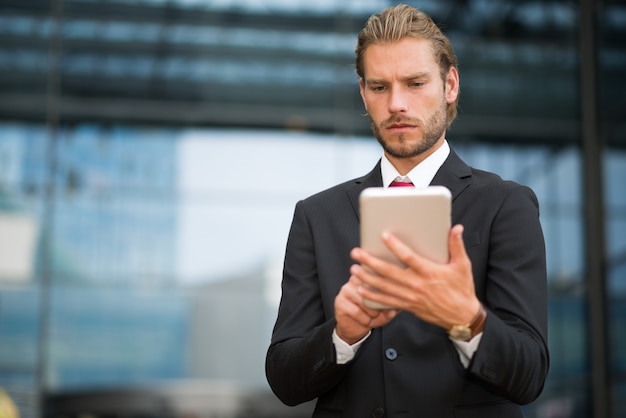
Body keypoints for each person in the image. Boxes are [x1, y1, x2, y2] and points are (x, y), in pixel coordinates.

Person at [265, 4, 549, 417]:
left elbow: (530, 376)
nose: (397, 103)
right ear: (363, 93)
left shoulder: (507, 205)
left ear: (450, 85)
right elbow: (285, 381)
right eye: (379, 87)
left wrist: (468, 319)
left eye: (415, 83)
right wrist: (342, 334)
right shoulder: (316, 216)